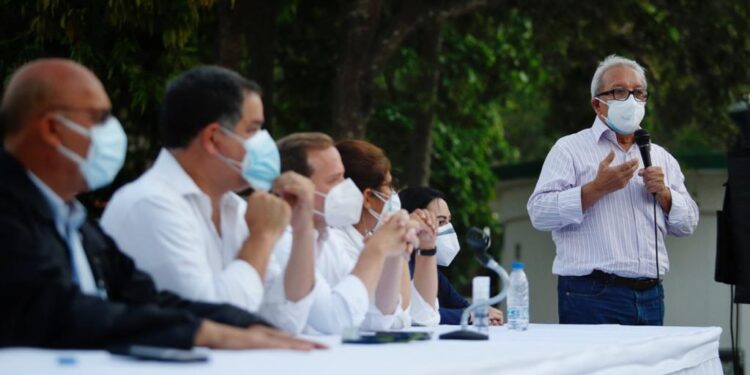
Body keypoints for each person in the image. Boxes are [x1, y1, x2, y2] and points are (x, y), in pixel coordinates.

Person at [0, 58, 322, 350]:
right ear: (53, 129)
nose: (111, 132)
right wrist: (204, 332)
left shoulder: (74, 220)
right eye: (99, 118)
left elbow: (146, 298)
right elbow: (57, 309)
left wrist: (251, 327)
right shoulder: (145, 205)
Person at [101, 66, 323, 334]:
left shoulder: (238, 209)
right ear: (214, 139)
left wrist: (302, 229)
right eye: (253, 130)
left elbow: (283, 321)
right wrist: (262, 237)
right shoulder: (151, 204)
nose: (266, 143)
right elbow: (212, 320)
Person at [527, 55, 699, 325]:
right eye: (619, 91)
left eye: (638, 92)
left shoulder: (660, 156)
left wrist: (665, 195)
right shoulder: (569, 149)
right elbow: (539, 213)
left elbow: (688, 223)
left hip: (651, 294)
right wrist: (594, 190)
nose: (630, 100)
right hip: (591, 294)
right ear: (598, 104)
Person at [275, 132, 423, 332]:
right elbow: (336, 319)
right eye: (334, 179)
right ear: (296, 188)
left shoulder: (327, 240)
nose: (346, 187)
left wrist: (394, 252)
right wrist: (376, 249)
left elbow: (379, 318)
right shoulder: (282, 240)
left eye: (344, 177)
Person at [333, 140, 440, 327]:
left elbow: (423, 315)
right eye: (388, 185)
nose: (393, 194)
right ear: (367, 197)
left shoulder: (374, 235)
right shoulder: (337, 241)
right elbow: (397, 314)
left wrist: (427, 246)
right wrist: (400, 234)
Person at [399, 186, 504, 325]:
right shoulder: (399, 263)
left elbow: (461, 305)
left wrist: (483, 312)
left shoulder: (432, 269)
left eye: (449, 221)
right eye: (441, 222)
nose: (448, 229)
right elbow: (415, 314)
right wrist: (470, 315)